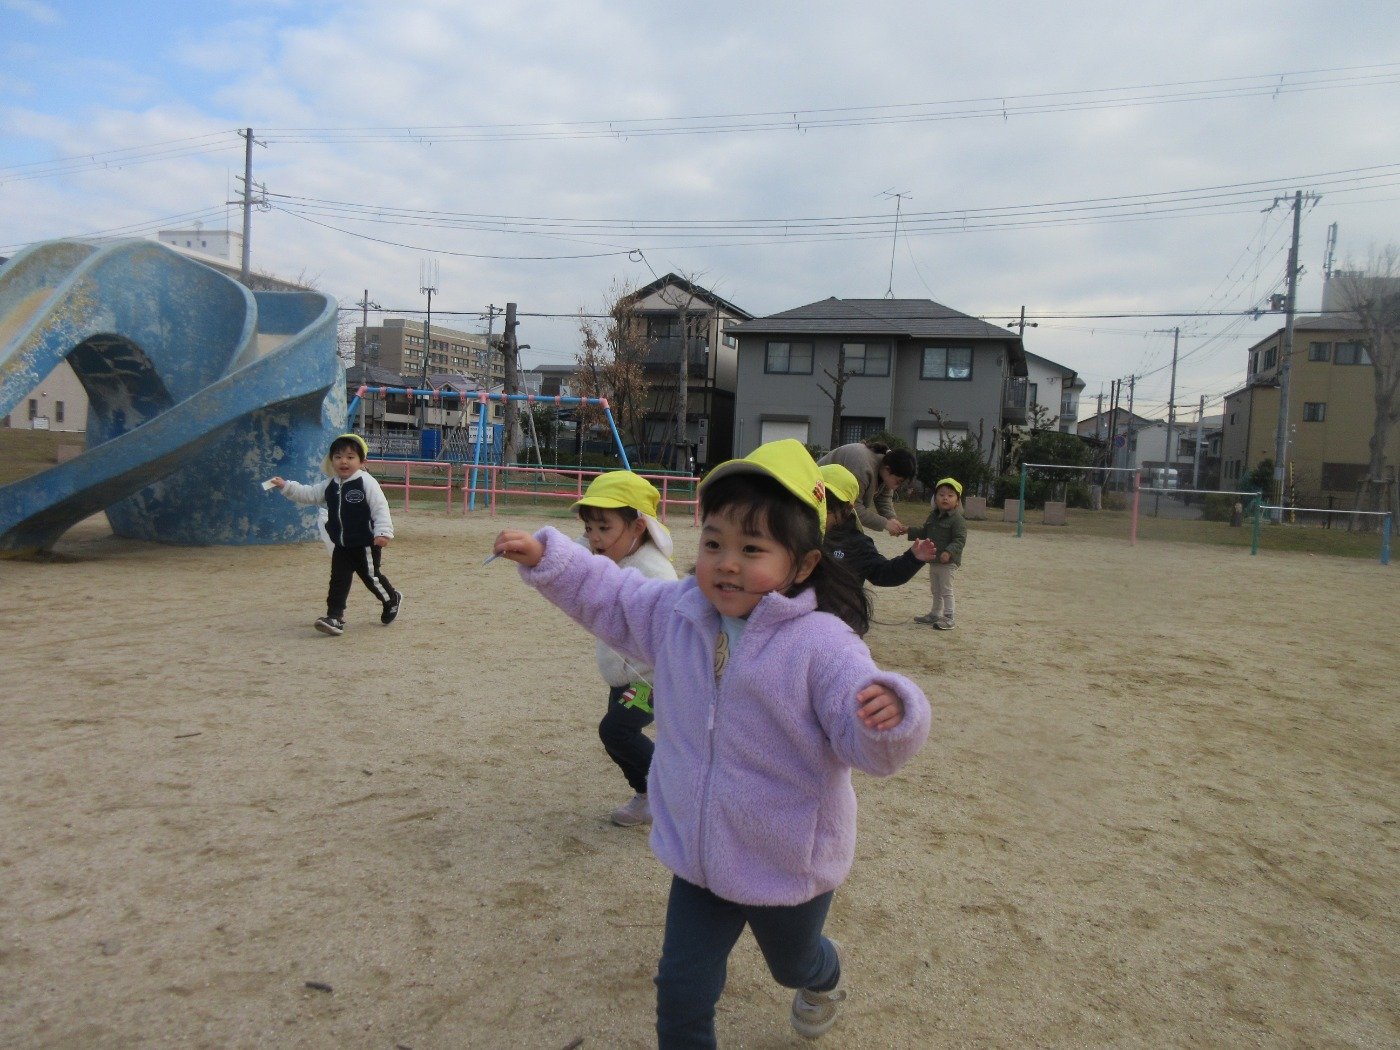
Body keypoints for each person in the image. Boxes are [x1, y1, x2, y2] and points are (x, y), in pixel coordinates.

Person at [493, 439, 930, 1047]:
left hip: (785, 860)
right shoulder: (680, 612)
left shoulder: (823, 644)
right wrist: (552, 559)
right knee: (680, 989)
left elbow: (862, 738)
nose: (726, 564)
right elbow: (614, 598)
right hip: (700, 853)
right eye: (714, 543)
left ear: (803, 564)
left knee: (792, 964)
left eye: (752, 549)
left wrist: (890, 715)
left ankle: (823, 975)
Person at [572, 471, 679, 827]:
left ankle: (668, 788)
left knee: (616, 731)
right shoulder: (612, 553)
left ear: (637, 527)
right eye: (589, 527)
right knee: (617, 734)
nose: (594, 537)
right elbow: (571, 558)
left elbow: (672, 630)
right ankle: (649, 794)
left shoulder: (654, 572)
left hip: (652, 679)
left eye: (604, 528)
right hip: (625, 676)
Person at [270, 433, 401, 637]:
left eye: (350, 457)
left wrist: (383, 532)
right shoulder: (330, 484)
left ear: (362, 461)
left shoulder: (366, 482)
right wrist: (286, 486)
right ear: (331, 461)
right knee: (338, 580)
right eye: (338, 457)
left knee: (371, 577)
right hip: (341, 544)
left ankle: (391, 599)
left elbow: (380, 507)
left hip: (364, 543)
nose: (344, 461)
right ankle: (334, 617)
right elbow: (309, 494)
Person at [820, 463, 939, 588]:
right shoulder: (806, 533)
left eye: (828, 507)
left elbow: (883, 572)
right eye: (813, 501)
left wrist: (912, 559)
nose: (819, 511)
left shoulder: (855, 543)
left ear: (847, 509)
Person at [816, 441, 916, 536]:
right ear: (888, 469)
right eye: (898, 482)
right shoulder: (862, 467)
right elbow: (853, 508)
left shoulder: (885, 467)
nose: (896, 487)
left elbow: (883, 498)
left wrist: (891, 518)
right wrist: (885, 523)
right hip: (817, 494)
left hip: (832, 502)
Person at [905, 476, 967, 630]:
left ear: (957, 501)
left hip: (948, 562)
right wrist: (908, 530)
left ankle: (949, 617)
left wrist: (948, 552)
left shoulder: (958, 520)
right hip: (934, 560)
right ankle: (935, 614)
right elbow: (924, 531)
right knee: (936, 589)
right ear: (935, 498)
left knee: (946, 590)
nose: (945, 498)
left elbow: (959, 539)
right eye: (941, 494)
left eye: (950, 495)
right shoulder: (933, 516)